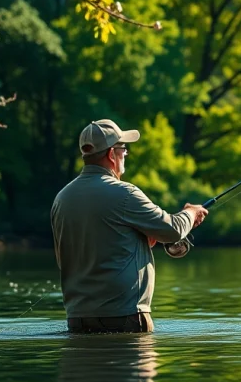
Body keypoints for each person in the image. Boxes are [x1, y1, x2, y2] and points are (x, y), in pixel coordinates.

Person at [50, 119, 208, 334]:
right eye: (123, 149)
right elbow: (173, 229)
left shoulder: (62, 198)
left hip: (77, 319)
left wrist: (138, 241)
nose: (126, 154)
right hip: (126, 318)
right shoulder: (125, 193)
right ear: (110, 155)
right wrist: (192, 212)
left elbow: (83, 250)